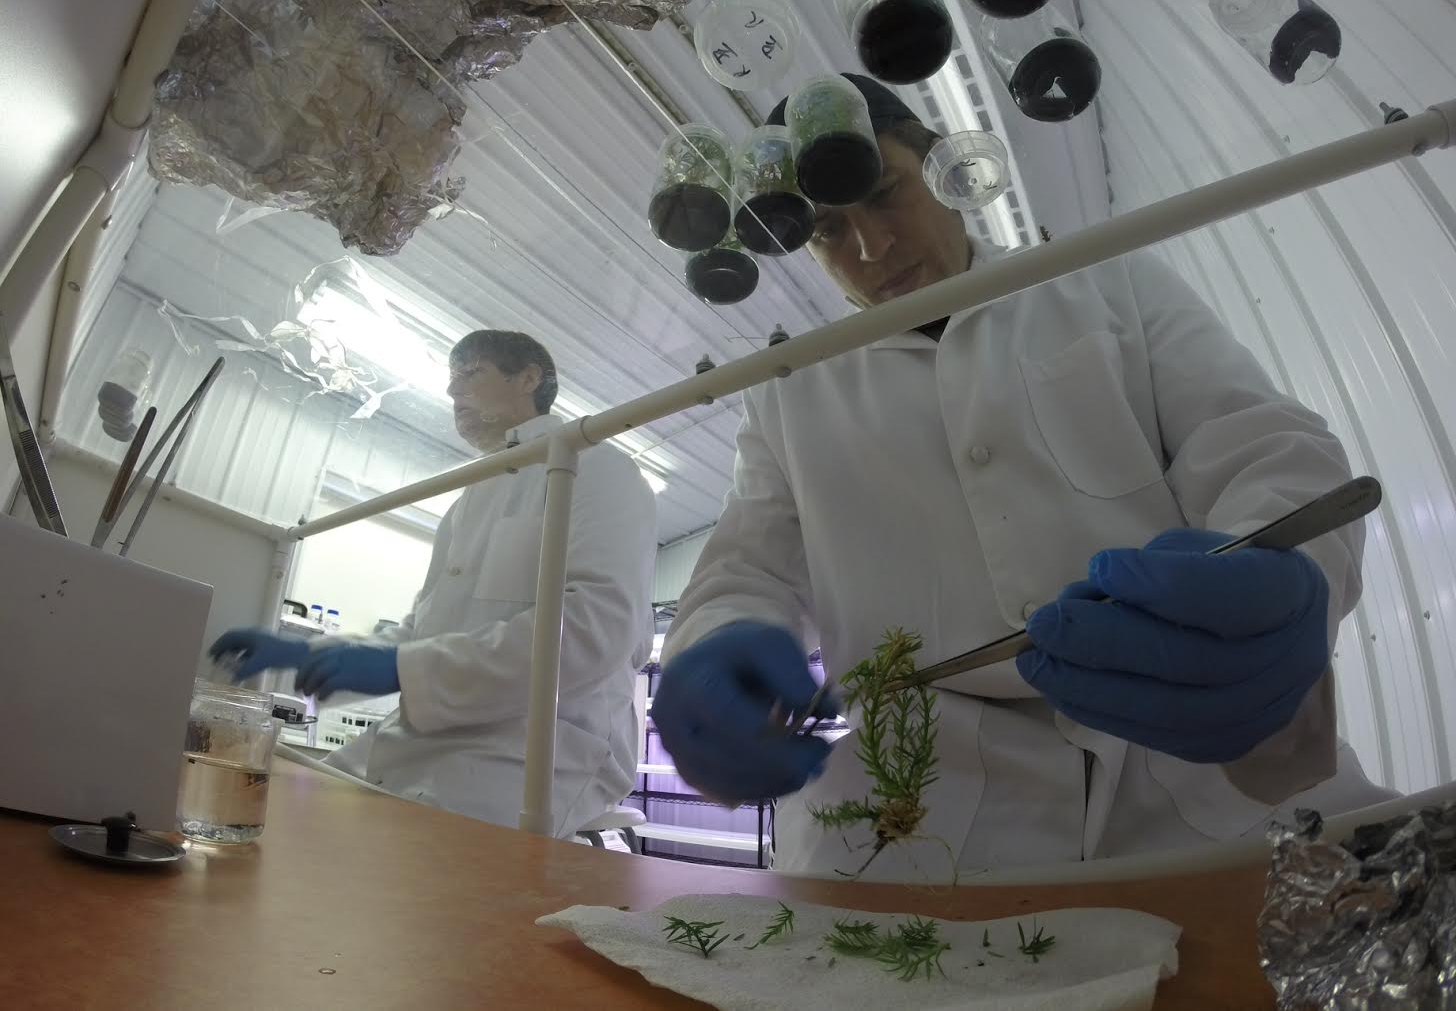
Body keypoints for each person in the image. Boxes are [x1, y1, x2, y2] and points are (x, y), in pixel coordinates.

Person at [650, 74, 1393, 880]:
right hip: (916, 815)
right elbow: (744, 567)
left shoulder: (1104, 282)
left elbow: (1267, 447)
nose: (871, 247)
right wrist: (716, 641)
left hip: (1191, 761)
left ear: (938, 163)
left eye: (886, 194)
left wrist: (1287, 579)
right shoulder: (792, 391)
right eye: (828, 231)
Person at [212, 330, 657, 837]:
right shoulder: (468, 500)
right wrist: (311, 650)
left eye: (471, 373)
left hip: (537, 746)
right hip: (426, 736)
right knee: (279, 809)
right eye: (451, 379)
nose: (452, 393)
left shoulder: (597, 466)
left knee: (390, 869)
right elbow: (419, 633)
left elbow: (595, 630)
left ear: (529, 376)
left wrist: (405, 669)